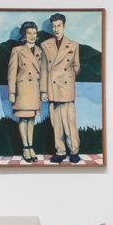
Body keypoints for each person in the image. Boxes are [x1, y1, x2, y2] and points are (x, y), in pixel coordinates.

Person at [41, 13, 83, 164]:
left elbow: (77, 67)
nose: (56, 29)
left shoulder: (73, 45)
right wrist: (44, 91)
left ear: (64, 26)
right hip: (52, 89)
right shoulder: (46, 45)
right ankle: (60, 151)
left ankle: (74, 152)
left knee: (70, 123)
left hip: (66, 88)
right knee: (56, 123)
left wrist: (68, 78)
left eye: (59, 25)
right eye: (53, 26)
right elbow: (44, 69)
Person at [5, 21, 46, 162]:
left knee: (32, 119)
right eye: (29, 33)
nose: (32, 36)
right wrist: (11, 92)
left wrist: (43, 91)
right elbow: (11, 73)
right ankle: (25, 147)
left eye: (34, 33)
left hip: (34, 90)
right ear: (24, 35)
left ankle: (31, 147)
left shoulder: (40, 51)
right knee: (23, 118)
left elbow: (43, 73)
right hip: (22, 90)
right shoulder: (17, 51)